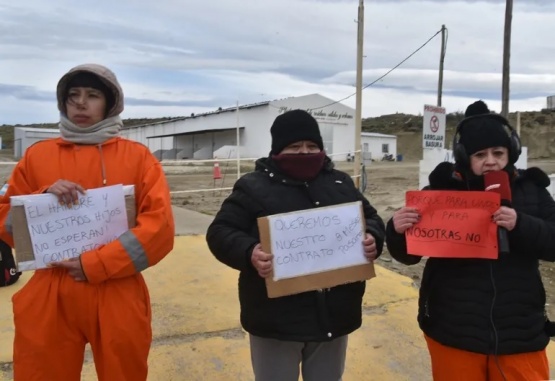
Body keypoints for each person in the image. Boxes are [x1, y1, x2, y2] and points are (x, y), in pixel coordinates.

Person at [0, 64, 175, 380]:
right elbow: (5, 221)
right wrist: (40, 199)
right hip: (50, 289)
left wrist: (98, 264)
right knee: (40, 372)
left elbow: (159, 228)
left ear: (109, 103)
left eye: (92, 95)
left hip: (117, 286)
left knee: (125, 372)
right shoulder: (37, 157)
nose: (81, 103)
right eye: (73, 96)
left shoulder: (138, 158)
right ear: (63, 102)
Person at [206, 109, 385, 381]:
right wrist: (249, 252)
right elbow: (220, 231)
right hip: (275, 322)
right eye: (295, 146)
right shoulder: (253, 186)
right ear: (278, 149)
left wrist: (373, 236)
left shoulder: (340, 182)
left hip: (333, 319)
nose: (304, 152)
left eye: (312, 146)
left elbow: (370, 217)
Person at [386, 100, 555, 380]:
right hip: (453, 329)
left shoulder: (532, 190)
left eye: (498, 152)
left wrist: (520, 224)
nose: (490, 160)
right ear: (466, 157)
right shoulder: (440, 192)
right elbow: (408, 256)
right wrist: (397, 230)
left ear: (510, 152)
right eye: (480, 154)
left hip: (519, 331)